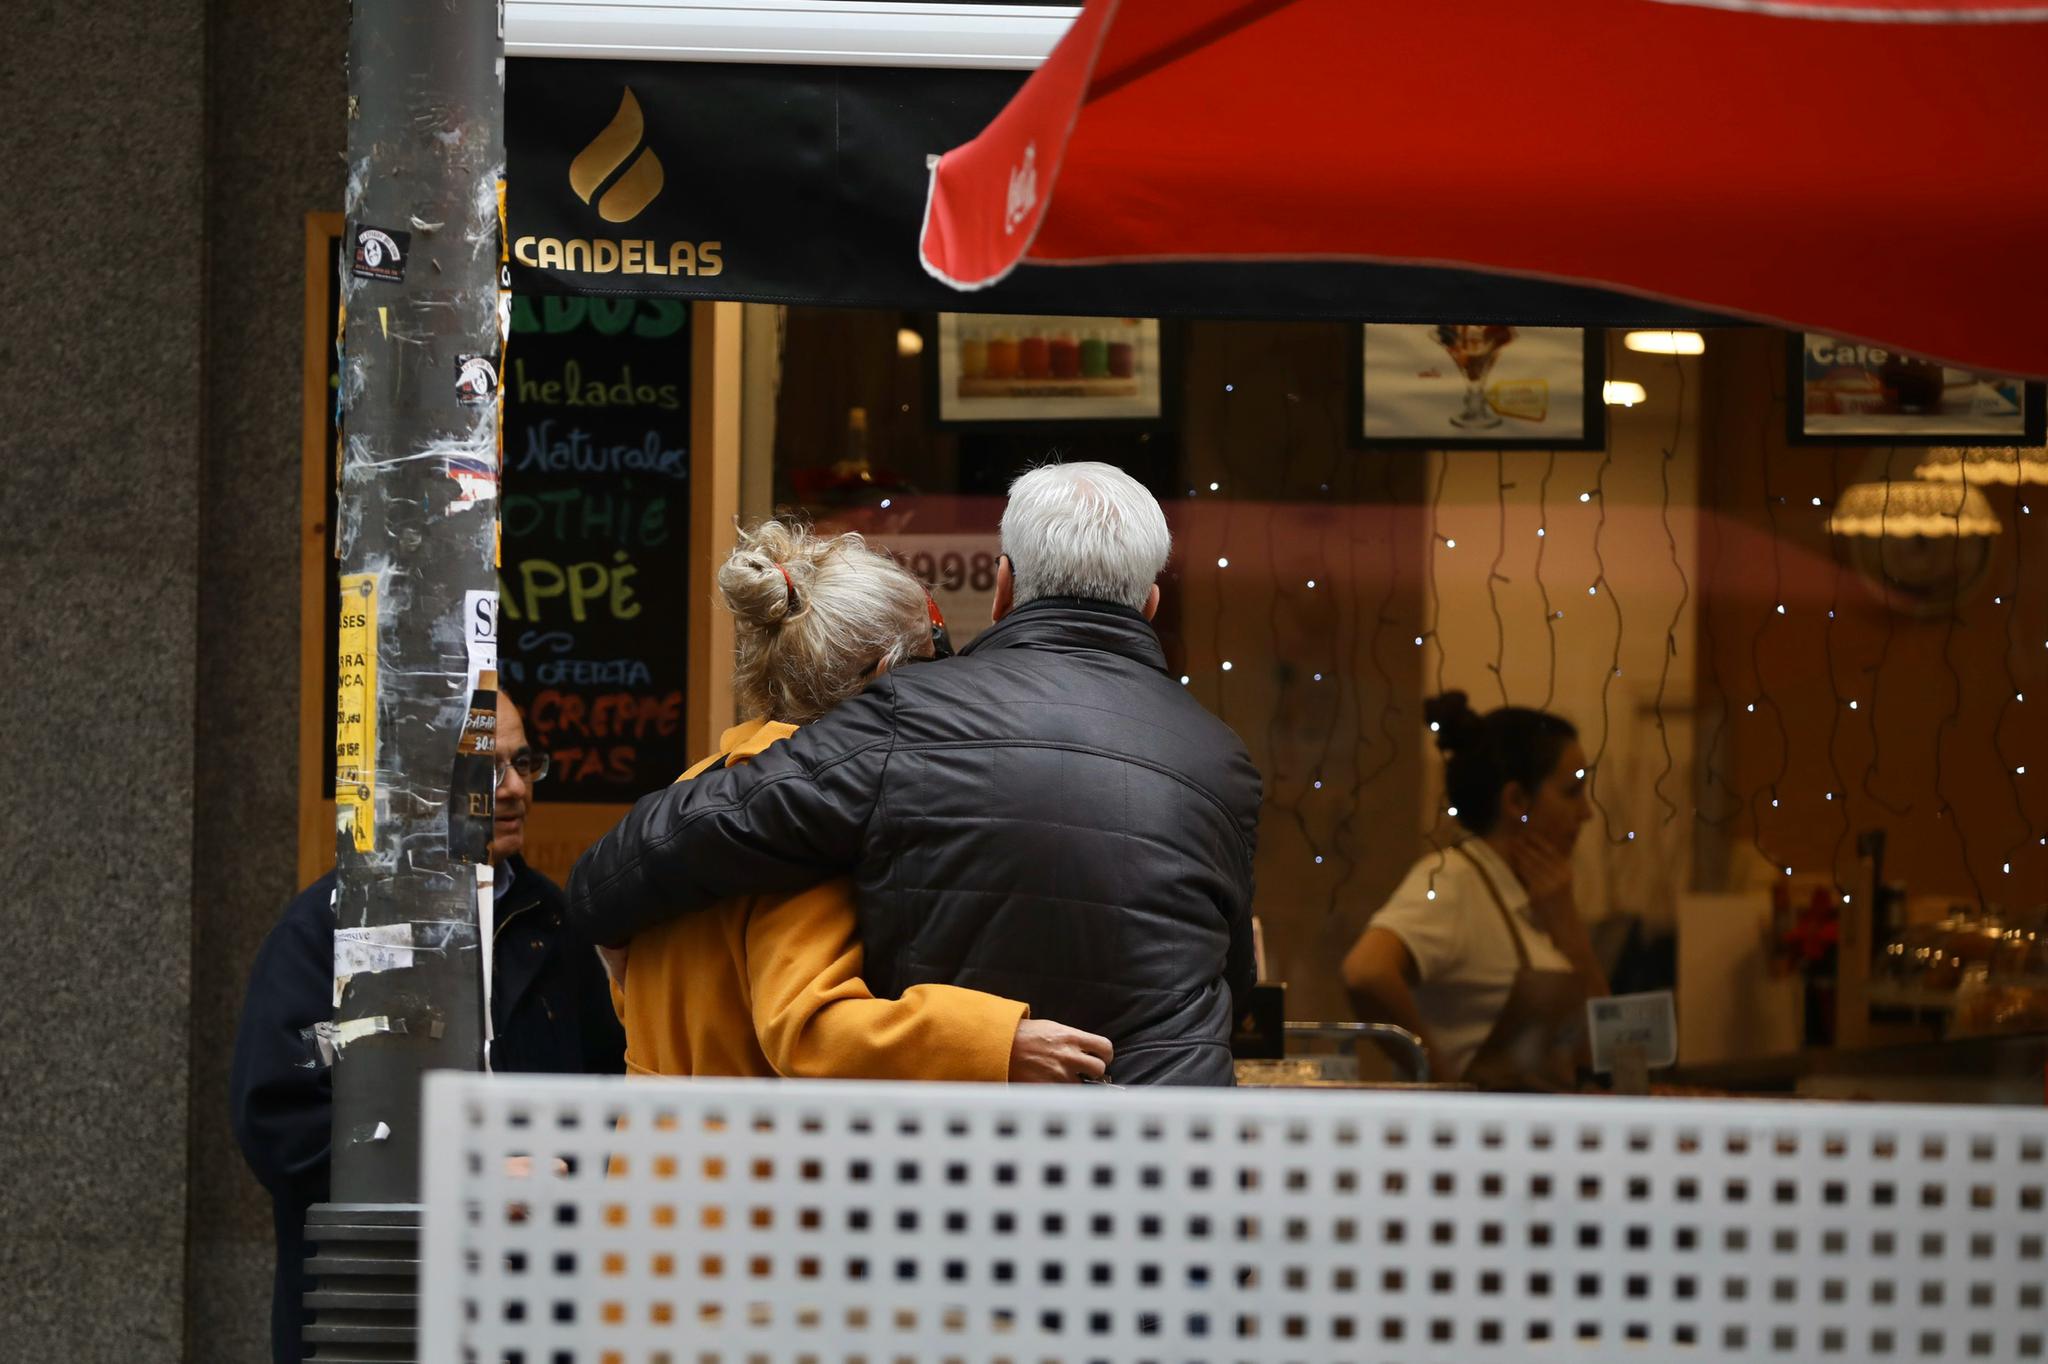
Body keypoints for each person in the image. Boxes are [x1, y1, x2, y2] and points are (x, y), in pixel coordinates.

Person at [571, 461, 1262, 1085]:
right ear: (1149, 605)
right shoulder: (1223, 757)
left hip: (898, 1171)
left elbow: (663, 858)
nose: (945, 662)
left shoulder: (765, 776)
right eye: (933, 646)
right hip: (1169, 1159)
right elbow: (1230, 985)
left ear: (1002, 586)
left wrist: (600, 904)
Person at [608, 519, 1114, 1084]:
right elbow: (808, 1031)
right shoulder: (805, 812)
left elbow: (630, 990)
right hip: (752, 1165)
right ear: (886, 677)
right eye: (934, 661)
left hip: (651, 1156)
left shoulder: (698, 784)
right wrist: (1002, 1043)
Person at [228, 690, 624, 1364]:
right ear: (414, 781)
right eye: (485, 768)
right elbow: (282, 1131)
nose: (515, 789)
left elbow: (609, 1102)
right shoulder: (327, 930)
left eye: (523, 762)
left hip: (534, 1322)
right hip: (382, 1319)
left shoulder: (552, 926)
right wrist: (466, 1177)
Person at [1342, 691, 1609, 1090]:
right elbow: (1366, 973)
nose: (1586, 812)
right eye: (1571, 791)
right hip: (1474, 1145)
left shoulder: (1535, 896)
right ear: (1516, 799)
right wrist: (1444, 1088)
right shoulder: (1452, 879)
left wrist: (1567, 925)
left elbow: (1607, 1046)